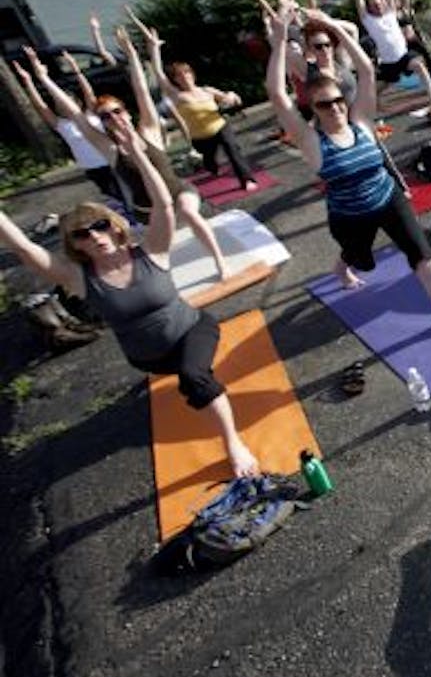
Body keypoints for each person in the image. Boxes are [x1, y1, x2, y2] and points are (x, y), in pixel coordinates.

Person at [0, 113, 261, 478]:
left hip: (192, 329)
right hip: (149, 359)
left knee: (194, 378)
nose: (94, 236)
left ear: (114, 226)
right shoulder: (78, 277)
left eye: (100, 225)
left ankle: (234, 444)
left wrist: (136, 152)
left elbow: (164, 204)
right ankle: (189, 374)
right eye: (82, 235)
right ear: (74, 245)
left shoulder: (152, 249)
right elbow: (27, 250)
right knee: (182, 371)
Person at [262, 0, 431, 338]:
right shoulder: (311, 140)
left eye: (338, 101)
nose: (334, 108)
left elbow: (368, 71)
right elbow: (275, 92)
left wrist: (329, 22)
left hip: (388, 199)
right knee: (359, 257)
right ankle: (343, 266)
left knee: (423, 253)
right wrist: (281, 38)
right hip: (350, 215)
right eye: (324, 105)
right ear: (313, 108)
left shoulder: (360, 120)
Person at [34, 28, 232, 279]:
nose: (114, 117)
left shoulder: (149, 131)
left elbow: (141, 89)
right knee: (152, 245)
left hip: (177, 192)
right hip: (146, 209)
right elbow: (74, 114)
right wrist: (44, 79)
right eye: (105, 116)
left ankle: (219, 262)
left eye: (117, 111)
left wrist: (132, 55)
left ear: (126, 112)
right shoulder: (108, 147)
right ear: (102, 122)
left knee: (191, 214)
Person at [128, 10, 258, 191]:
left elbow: (230, 97)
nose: (185, 77)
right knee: (210, 161)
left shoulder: (206, 90)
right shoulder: (176, 95)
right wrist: (154, 48)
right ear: (176, 80)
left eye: (187, 73)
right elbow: (157, 72)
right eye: (180, 75)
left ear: (192, 75)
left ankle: (247, 179)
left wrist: (232, 96)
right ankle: (211, 167)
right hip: (200, 137)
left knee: (232, 148)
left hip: (219, 127)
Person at [11, 51, 133, 210]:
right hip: (92, 167)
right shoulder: (60, 124)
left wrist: (75, 68)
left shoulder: (90, 113)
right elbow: (40, 106)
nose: (62, 105)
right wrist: (28, 81)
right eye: (58, 103)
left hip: (113, 159)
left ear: (77, 102)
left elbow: (88, 91)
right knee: (115, 195)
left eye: (67, 101)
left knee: (131, 190)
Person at [341, 0, 431, 107]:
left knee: (420, 67)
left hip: (403, 56)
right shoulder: (369, 20)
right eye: (375, 5)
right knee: (384, 84)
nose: (379, 7)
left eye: (380, 4)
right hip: (388, 61)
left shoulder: (390, 13)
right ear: (370, 8)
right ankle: (375, 101)